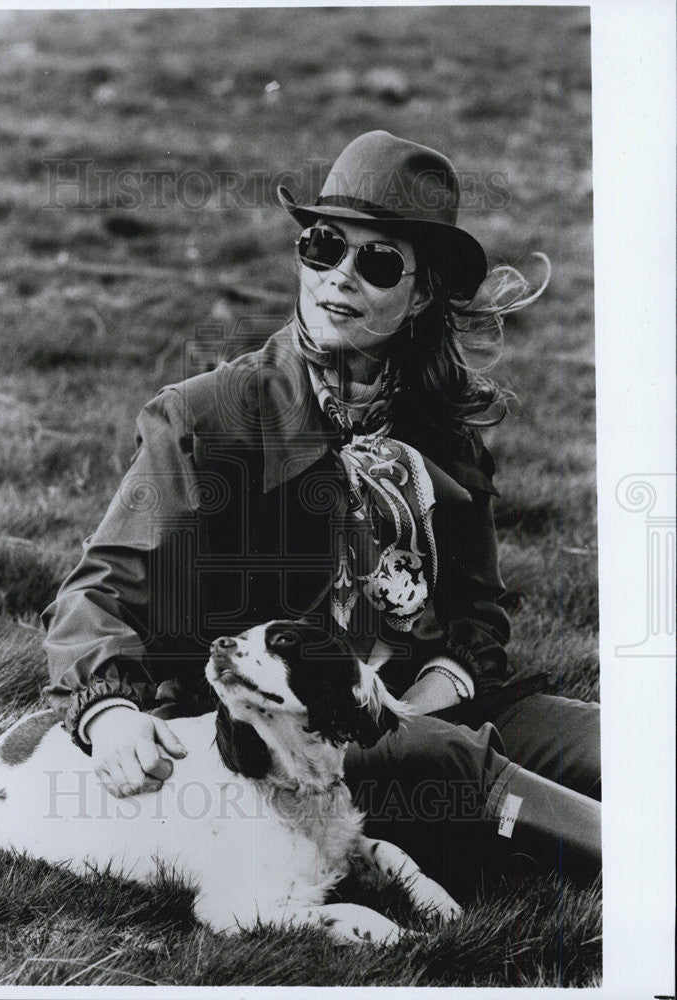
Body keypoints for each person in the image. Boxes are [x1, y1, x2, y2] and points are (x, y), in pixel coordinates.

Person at [41, 131, 601, 900]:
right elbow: (98, 593)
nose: (340, 278)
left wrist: (430, 692)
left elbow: (478, 614)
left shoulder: (441, 428)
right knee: (446, 761)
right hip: (288, 727)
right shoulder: (206, 418)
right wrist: (106, 714)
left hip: (413, 700)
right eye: (324, 246)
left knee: (614, 742)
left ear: (423, 292)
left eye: (377, 263)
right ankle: (640, 864)